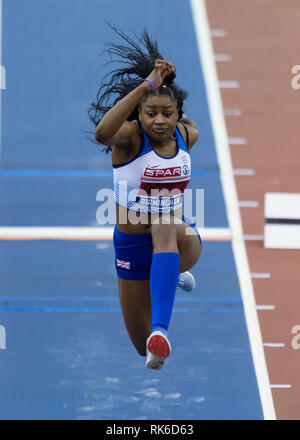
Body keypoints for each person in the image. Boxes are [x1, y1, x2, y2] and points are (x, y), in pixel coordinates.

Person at [89, 25, 202, 370]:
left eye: (167, 113)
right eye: (150, 113)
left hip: (179, 239)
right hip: (131, 247)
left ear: (179, 114)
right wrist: (148, 85)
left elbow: (176, 112)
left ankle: (161, 329)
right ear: (139, 114)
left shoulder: (186, 135)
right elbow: (101, 133)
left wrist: (166, 87)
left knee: (165, 225)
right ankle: (166, 278)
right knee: (144, 353)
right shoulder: (129, 141)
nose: (159, 121)